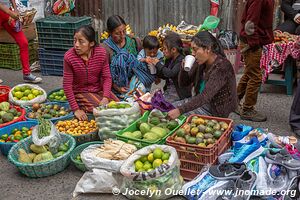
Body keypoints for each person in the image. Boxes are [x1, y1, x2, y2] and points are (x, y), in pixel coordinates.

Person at [166, 31, 237, 119]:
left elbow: (205, 96)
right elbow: (183, 84)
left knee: (178, 115)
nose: (192, 53)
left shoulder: (222, 67)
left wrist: (180, 110)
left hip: (215, 111)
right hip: (200, 102)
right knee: (167, 108)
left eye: (195, 49)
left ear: (208, 48)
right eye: (191, 49)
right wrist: (184, 69)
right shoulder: (200, 62)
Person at [63, 25, 118, 121]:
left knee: (119, 106)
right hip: (80, 92)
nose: (76, 45)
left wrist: (105, 97)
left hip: (98, 90)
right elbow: (67, 85)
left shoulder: (101, 53)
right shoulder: (69, 57)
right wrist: (76, 109)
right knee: (102, 110)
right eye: (75, 40)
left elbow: (107, 77)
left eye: (81, 41)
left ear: (91, 43)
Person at [236, 0, 274, 122]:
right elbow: (250, 25)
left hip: (251, 41)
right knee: (255, 76)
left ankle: (234, 101)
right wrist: (254, 43)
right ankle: (247, 109)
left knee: (249, 73)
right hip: (250, 43)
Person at [101, 15, 154, 98]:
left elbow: (141, 63)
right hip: (116, 88)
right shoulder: (105, 49)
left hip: (137, 82)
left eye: (124, 31)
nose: (122, 35)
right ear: (110, 33)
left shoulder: (134, 42)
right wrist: (116, 87)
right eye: (117, 33)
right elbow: (103, 73)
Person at [0, 1, 42, 83]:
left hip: (7, 13)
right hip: (5, 13)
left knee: (23, 43)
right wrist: (10, 13)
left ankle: (27, 74)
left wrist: (15, 11)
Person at [146, 32, 191, 100]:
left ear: (173, 50)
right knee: (152, 99)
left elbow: (171, 74)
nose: (163, 51)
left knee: (160, 105)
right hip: (169, 91)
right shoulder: (169, 59)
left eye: (165, 49)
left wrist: (158, 64)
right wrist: (155, 68)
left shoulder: (181, 60)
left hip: (178, 93)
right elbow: (165, 75)